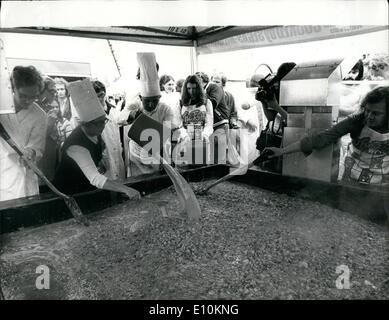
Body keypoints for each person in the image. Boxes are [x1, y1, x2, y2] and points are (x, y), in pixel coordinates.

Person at [265, 86, 389, 186]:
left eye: (376, 113)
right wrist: (282, 151)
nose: (369, 116)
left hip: (383, 182)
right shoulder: (355, 121)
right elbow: (320, 139)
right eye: (367, 110)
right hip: (352, 177)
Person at [53, 79, 140, 199]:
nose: (103, 126)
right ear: (85, 124)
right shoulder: (76, 145)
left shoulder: (96, 131)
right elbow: (95, 178)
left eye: (104, 121)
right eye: (98, 123)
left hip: (86, 185)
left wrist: (99, 162)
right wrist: (126, 189)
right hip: (68, 192)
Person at [126, 53, 186, 176]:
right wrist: (132, 115)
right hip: (136, 154)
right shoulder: (135, 105)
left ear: (160, 97)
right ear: (140, 98)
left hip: (157, 152)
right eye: (147, 101)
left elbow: (168, 130)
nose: (151, 104)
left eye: (155, 100)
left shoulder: (165, 109)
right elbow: (117, 118)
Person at [0, 66, 48, 201]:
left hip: (25, 176)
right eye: (23, 96)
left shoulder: (40, 115)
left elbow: (38, 147)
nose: (28, 101)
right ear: (12, 89)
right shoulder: (1, 108)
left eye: (33, 97)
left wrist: (31, 152)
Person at [92, 80, 126, 181]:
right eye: (96, 96)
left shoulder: (113, 110)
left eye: (101, 95)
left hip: (117, 155)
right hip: (104, 158)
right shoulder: (90, 116)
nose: (99, 99)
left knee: (121, 184)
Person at [195, 72, 230, 164]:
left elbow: (213, 102)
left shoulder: (214, 87)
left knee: (219, 157)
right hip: (208, 127)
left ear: (203, 81)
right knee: (208, 157)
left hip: (220, 124)